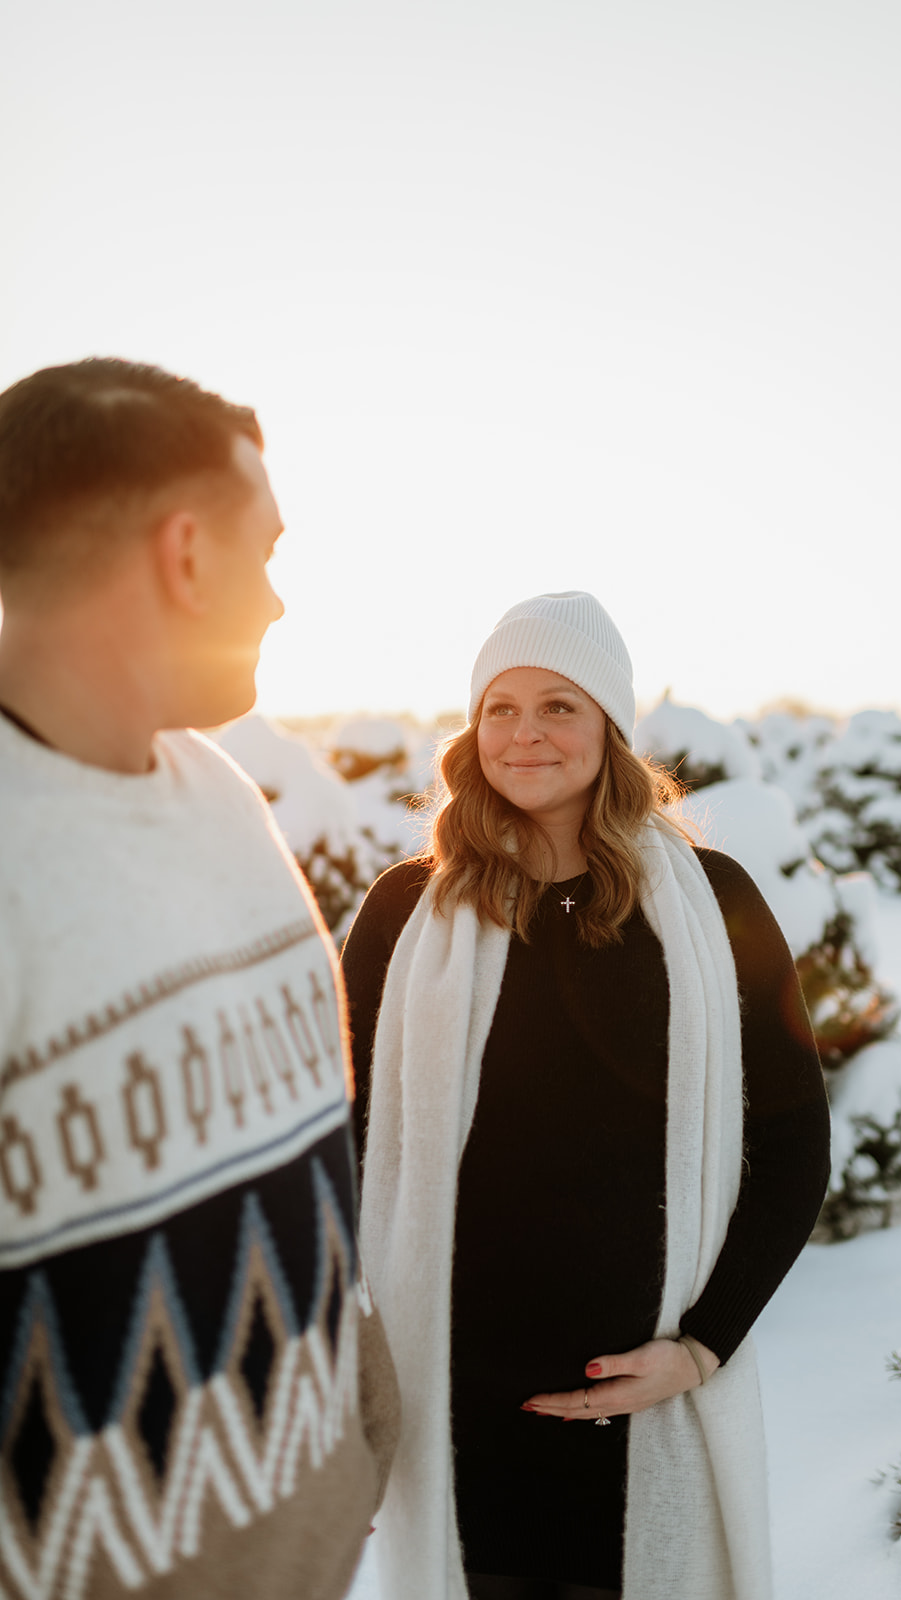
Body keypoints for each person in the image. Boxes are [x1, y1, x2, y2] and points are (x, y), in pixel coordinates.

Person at [341, 590, 831, 1600]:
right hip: (453, 1412)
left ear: (610, 727)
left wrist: (701, 1349)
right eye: (500, 708)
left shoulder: (716, 904)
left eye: (558, 706)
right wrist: (352, 1386)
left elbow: (791, 1146)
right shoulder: (404, 910)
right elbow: (341, 1146)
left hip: (644, 1411)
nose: (524, 733)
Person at [0, 358, 397, 1600]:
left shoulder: (223, 796)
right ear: (185, 554)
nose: (277, 597)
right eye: (264, 550)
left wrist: (356, 1401)